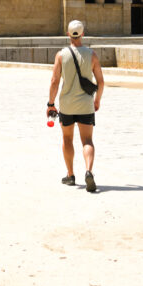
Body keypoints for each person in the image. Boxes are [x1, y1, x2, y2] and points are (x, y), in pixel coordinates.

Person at [48, 20, 104, 192]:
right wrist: (97, 100)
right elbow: (101, 82)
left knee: (67, 139)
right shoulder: (92, 55)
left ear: (68, 34)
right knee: (87, 140)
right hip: (86, 104)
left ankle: (71, 175)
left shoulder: (61, 55)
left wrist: (51, 104)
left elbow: (55, 81)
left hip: (67, 105)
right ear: (82, 34)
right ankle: (88, 171)